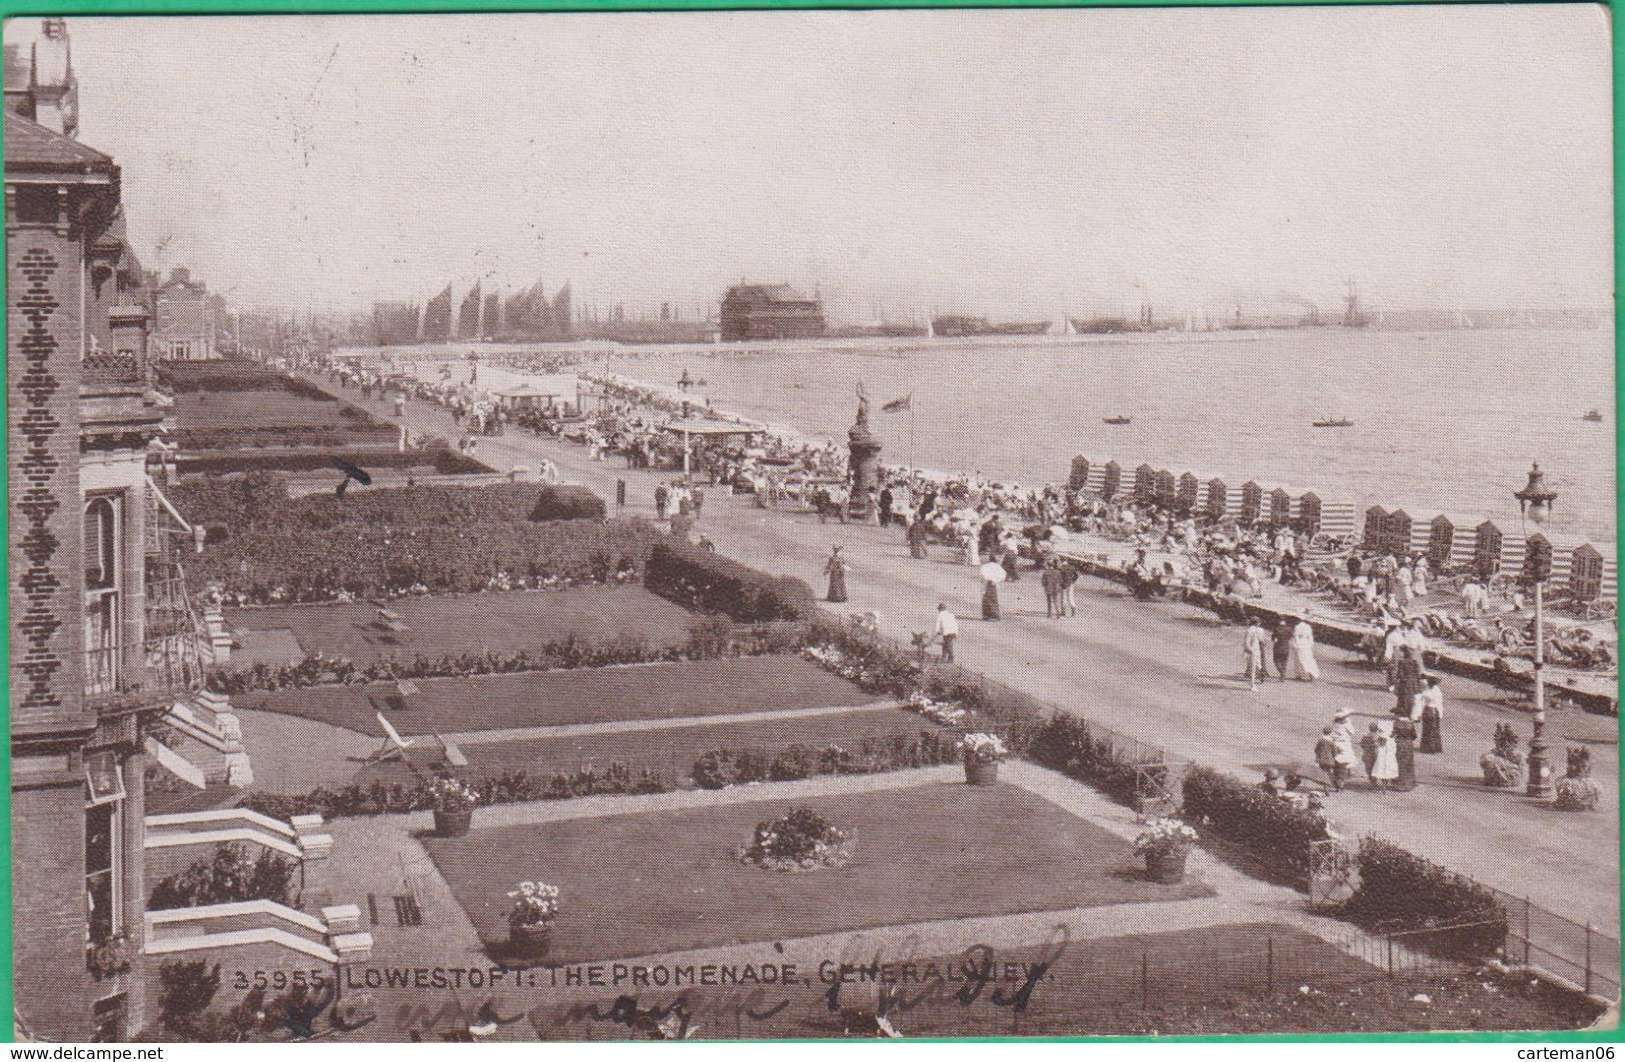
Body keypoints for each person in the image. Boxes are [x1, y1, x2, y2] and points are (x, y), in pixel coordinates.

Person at [1417, 675, 1445, 754]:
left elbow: (1438, 703)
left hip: (1430, 710)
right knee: (1430, 729)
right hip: (1431, 711)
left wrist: (1440, 713)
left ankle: (1429, 747)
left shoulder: (1431, 691)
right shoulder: (1434, 691)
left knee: (1430, 729)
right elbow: (1438, 704)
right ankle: (1433, 747)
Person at [1242, 614, 1269, 691]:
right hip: (1254, 651)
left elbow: (1246, 643)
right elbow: (1262, 642)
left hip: (1252, 651)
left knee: (1255, 667)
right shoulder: (1255, 630)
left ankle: (1254, 683)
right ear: (1257, 623)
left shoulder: (1250, 630)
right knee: (1254, 668)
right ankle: (1252, 685)